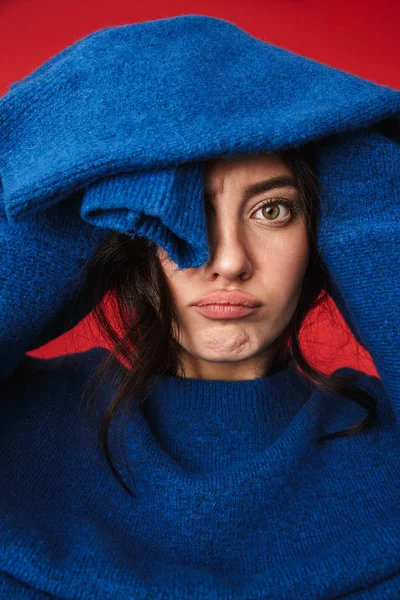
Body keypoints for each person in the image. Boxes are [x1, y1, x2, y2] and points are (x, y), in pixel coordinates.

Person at [1, 14, 400, 600]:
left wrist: (345, 151)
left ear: (323, 232)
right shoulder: (19, 429)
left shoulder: (383, 446)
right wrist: (79, 194)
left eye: (273, 211)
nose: (229, 260)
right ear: (127, 228)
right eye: (183, 214)